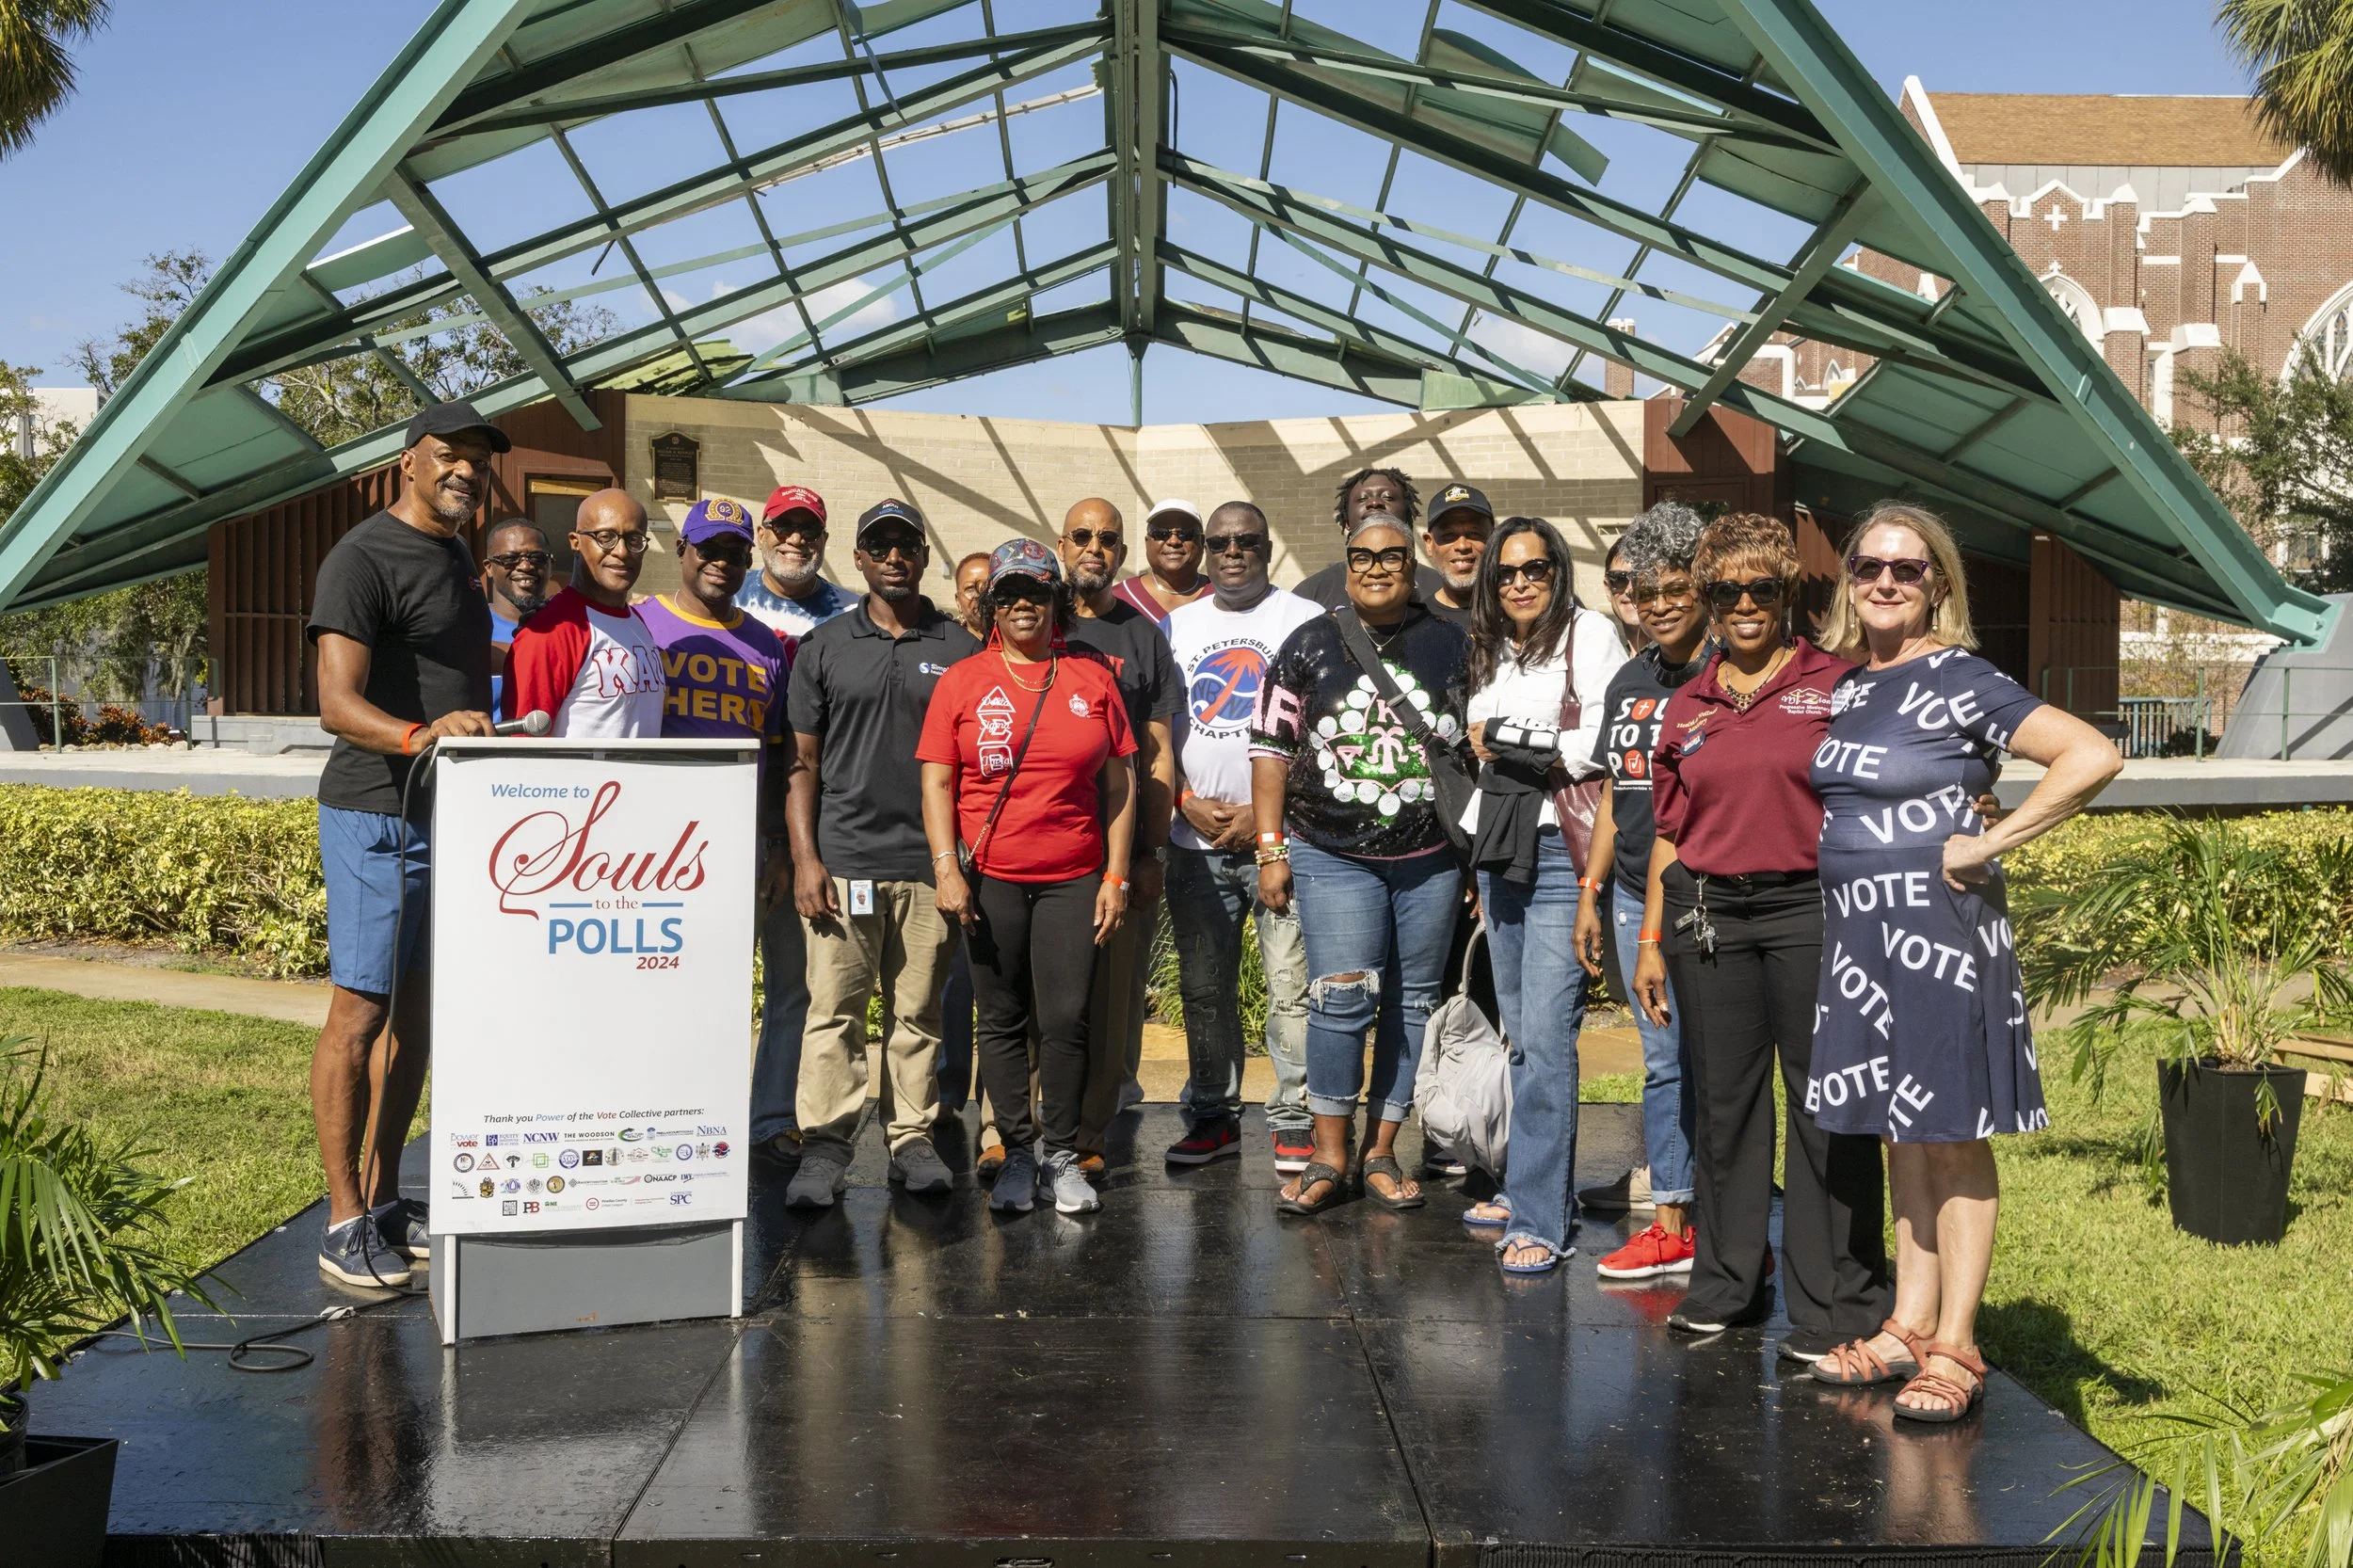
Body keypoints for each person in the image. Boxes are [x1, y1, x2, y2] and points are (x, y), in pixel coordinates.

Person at [1803, 503, 2119, 1421]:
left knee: (1950, 1127)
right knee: (1902, 1129)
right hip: (1862, 937)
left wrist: (1991, 842)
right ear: (1850, 579)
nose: (1886, 581)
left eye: (1907, 568)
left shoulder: (1960, 678)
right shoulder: (1857, 683)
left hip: (1941, 936)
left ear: (1938, 580)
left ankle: (1957, 1343)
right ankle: (1908, 1320)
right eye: (1869, 566)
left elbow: (2089, 755)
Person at [1633, 513, 1890, 1359]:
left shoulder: (1839, 685)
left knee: (1828, 1104)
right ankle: (1727, 1284)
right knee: (1725, 1107)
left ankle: (1838, 1304)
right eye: (1725, 590)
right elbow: (1670, 830)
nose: (1743, 604)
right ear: (1706, 601)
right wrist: (1647, 939)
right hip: (1707, 918)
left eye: (1762, 589)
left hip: (1812, 910)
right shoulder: (1686, 704)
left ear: (1788, 595)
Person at [304, 400, 504, 1287]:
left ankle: (385, 1196)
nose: (465, 470)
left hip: (443, 815)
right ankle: (342, 1219)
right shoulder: (361, 557)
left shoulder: (457, 555)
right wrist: (427, 737)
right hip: (375, 813)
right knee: (362, 1015)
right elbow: (337, 705)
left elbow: (446, 669)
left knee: (417, 1020)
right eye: (448, 455)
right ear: (408, 461)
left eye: (476, 459)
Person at [1251, 511, 1470, 1215]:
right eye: (1363, 556)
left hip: (1429, 861)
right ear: (1346, 563)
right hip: (1331, 853)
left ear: (1416, 566)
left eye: (1393, 557)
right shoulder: (1309, 643)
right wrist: (1270, 849)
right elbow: (1270, 749)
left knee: (1412, 1006)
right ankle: (1328, 1155)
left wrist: (1476, 860)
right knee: (1341, 1001)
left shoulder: (1452, 644)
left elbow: (1474, 753)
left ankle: (1381, 1151)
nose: (1377, 567)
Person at [920, 539, 1136, 1216]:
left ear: (1056, 602)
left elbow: (1121, 779)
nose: (1021, 606)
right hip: (991, 877)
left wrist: (1116, 875)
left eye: (1035, 593)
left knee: (1068, 1019)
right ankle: (1016, 1153)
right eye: (1008, 594)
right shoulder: (962, 680)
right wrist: (946, 868)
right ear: (990, 605)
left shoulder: (1092, 678)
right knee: (1003, 1019)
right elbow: (936, 777)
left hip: (1074, 875)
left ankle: (1062, 1154)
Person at [781, 501, 981, 1207]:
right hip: (846, 864)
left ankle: (911, 1139)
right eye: (879, 546)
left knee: (919, 1009)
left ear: (923, 558)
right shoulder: (826, 645)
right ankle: (826, 1149)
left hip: (930, 866)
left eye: (906, 545)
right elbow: (801, 764)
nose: (894, 556)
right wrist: (807, 860)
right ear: (859, 559)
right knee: (834, 1009)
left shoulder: (960, 647)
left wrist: (959, 862)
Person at [1456, 517, 1625, 1272]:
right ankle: (1528, 1187)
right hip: (1501, 838)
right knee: (1520, 1033)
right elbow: (1474, 726)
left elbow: (1607, 737)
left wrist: (1521, 740)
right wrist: (1500, 734)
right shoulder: (1502, 644)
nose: (1521, 583)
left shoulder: (1588, 637)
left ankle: (1541, 1218)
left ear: (1559, 572)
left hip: (1560, 847)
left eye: (1536, 569)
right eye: (1506, 573)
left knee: (1550, 1041)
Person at [634, 497, 804, 1171]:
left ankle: (768, 1121)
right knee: (679, 992)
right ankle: (676, 1114)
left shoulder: (766, 644)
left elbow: (779, 754)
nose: (722, 564)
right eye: (710, 549)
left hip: (744, 848)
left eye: (735, 553)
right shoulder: (643, 623)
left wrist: (776, 847)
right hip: (655, 856)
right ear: (683, 550)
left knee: (787, 989)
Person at [1160, 502, 1320, 1170]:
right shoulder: (1177, 625)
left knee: (1290, 986)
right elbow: (1155, 728)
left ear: (1267, 548)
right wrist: (1186, 801)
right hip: (1192, 839)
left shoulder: (1304, 622)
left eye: (1246, 541)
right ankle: (1212, 1114)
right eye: (1218, 542)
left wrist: (1265, 814)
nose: (1231, 552)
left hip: (1276, 842)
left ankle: (1294, 1117)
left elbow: (1324, 727)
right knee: (1203, 987)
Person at [1573, 502, 1710, 1276]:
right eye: (1637, 588)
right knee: (1664, 1062)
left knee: (1712, 1063)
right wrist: (1591, 891)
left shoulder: (1721, 673)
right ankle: (1673, 1221)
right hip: (1628, 894)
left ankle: (1717, 1223)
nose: (1654, 602)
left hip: (1703, 897)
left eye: (1670, 588)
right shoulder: (1630, 678)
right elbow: (1616, 797)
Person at [1056, 499, 1181, 1172]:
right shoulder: (1035, 618)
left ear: (1122, 553)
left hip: (1119, 847)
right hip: (1040, 844)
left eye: (1107, 539)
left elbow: (1159, 750)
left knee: (1112, 997)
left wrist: (1151, 850)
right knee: (1033, 992)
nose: (1093, 548)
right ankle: (1009, 1128)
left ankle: (1091, 1134)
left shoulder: (1142, 636)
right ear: (1061, 543)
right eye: (1082, 536)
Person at [503, 489, 665, 738]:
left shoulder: (637, 621)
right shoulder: (551, 632)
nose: (621, 551)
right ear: (575, 541)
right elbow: (523, 747)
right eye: (605, 537)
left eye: (634, 540)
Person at [936, 548, 996, 1113]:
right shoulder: (947, 654)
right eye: (969, 587)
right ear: (957, 597)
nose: (978, 596)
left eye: (988, 586)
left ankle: (999, 1103)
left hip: (1003, 838)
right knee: (954, 979)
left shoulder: (1023, 657)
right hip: (951, 838)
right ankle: (949, 1091)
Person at [1293, 468, 1449, 610]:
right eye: (1362, 499)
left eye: (1388, 497)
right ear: (1347, 521)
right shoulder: (1311, 593)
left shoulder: (1441, 588)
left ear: (1408, 516)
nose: (1374, 503)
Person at [736, 483, 857, 638]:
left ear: (824, 540)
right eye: (783, 527)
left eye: (810, 530)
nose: (795, 540)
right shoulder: (728, 596)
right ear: (761, 536)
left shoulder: (852, 614)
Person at [480, 519, 552, 712]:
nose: (526, 566)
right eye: (511, 558)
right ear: (489, 568)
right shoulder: (471, 624)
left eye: (537, 558)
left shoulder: (569, 626)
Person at [1112, 499, 1212, 628]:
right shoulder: (1117, 598)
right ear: (1147, 542)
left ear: (1201, 541)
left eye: (1185, 534)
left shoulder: (1224, 598)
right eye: (1161, 534)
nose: (1173, 541)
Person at [1418, 482, 1496, 625]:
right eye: (1448, 535)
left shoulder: (1516, 615)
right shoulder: (1416, 622)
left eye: (1474, 533)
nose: (1462, 545)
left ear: (1493, 539)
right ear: (1429, 544)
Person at [1602, 534, 1649, 655]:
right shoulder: (1606, 659)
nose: (1630, 589)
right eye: (1619, 579)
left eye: (1640, 580)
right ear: (1608, 589)